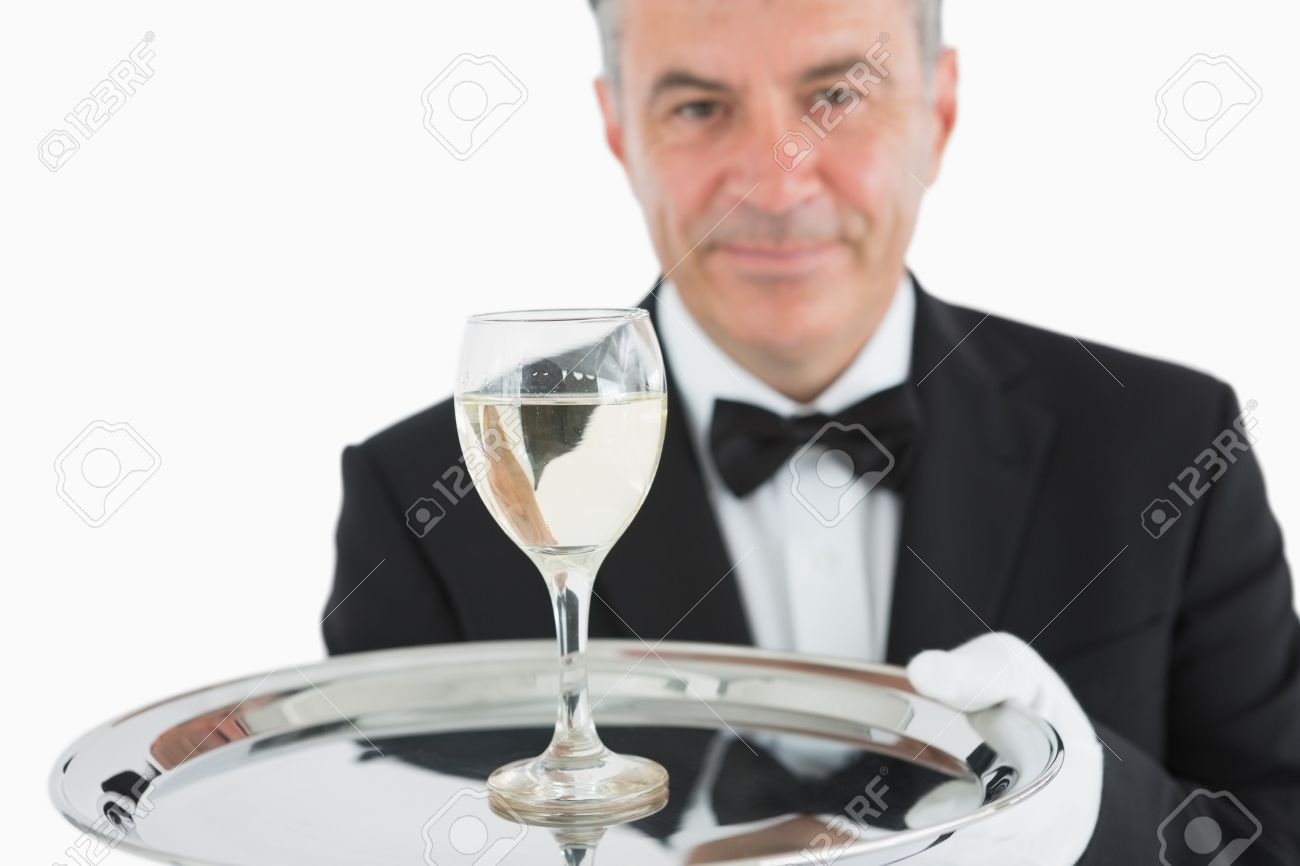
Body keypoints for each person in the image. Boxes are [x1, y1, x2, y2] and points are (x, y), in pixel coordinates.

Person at [323, 0, 1300, 861]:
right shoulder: (424, 501)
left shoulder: (1171, 444)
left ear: (939, 109)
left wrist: (1090, 809)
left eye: (836, 95)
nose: (775, 185)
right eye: (699, 107)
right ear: (618, 127)